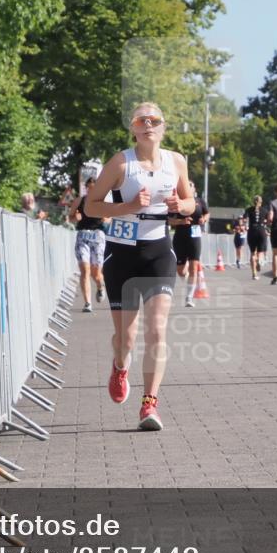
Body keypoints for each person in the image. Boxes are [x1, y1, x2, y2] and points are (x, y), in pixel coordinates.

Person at [83, 102, 195, 432]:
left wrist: (181, 204)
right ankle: (120, 367)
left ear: (163, 127)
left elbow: (190, 201)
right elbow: (91, 205)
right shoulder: (121, 162)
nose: (148, 124)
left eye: (154, 120)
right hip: (122, 253)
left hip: (159, 250)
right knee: (127, 338)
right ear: (132, 127)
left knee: (157, 329)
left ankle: (150, 404)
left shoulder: (176, 162)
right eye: (141, 120)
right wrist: (129, 206)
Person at [67, 177, 109, 312]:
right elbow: (71, 217)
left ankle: (100, 286)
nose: (91, 191)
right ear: (86, 188)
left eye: (93, 188)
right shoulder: (80, 201)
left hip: (97, 236)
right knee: (85, 270)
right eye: (89, 188)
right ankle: (87, 303)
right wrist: (75, 218)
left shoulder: (102, 201)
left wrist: (105, 219)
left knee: (96, 273)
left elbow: (110, 218)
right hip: (83, 236)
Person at [169, 180, 209, 307]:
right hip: (180, 236)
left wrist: (204, 219)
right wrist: (181, 222)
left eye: (190, 185)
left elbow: (207, 213)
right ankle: (189, 282)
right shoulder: (178, 202)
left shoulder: (200, 201)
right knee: (180, 270)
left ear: (194, 188)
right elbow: (169, 220)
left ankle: (189, 297)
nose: (188, 188)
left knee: (193, 266)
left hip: (195, 236)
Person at [243, 195, 268, 280]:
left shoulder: (249, 210)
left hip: (252, 231)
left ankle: (254, 273)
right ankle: (259, 261)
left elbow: (244, 219)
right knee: (260, 252)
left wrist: (245, 225)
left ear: (253, 202)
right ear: (261, 202)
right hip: (261, 230)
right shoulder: (264, 210)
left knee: (253, 253)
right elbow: (269, 221)